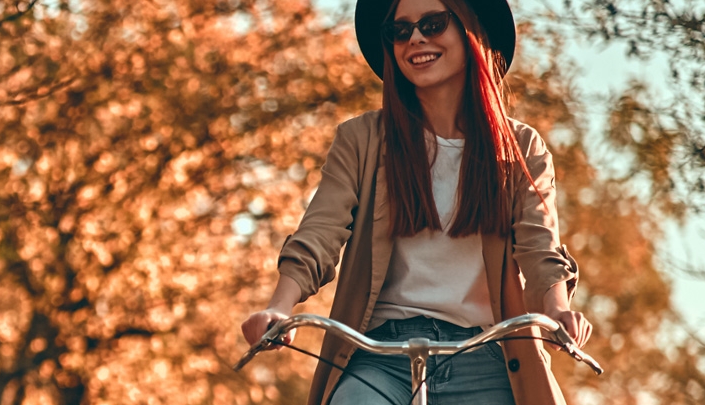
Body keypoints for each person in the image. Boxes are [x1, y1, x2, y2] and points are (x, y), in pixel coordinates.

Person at [238, 0, 594, 403]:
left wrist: (558, 309)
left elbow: (539, 247)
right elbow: (320, 232)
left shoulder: (520, 149)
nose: (416, 39)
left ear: (469, 28)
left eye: (433, 23)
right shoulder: (362, 140)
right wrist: (280, 309)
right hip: (380, 356)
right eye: (400, 30)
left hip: (485, 354)